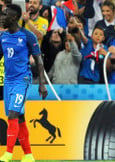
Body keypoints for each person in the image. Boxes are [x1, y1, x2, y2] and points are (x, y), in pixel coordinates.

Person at [0, 4, 47, 162]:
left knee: (12, 115)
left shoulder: (28, 36)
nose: (1, 17)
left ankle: (8, 154)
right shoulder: (3, 37)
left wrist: (42, 83)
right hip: (8, 81)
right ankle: (28, 155)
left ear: (14, 18)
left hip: (23, 80)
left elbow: (39, 61)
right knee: (19, 118)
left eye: (4, 15)